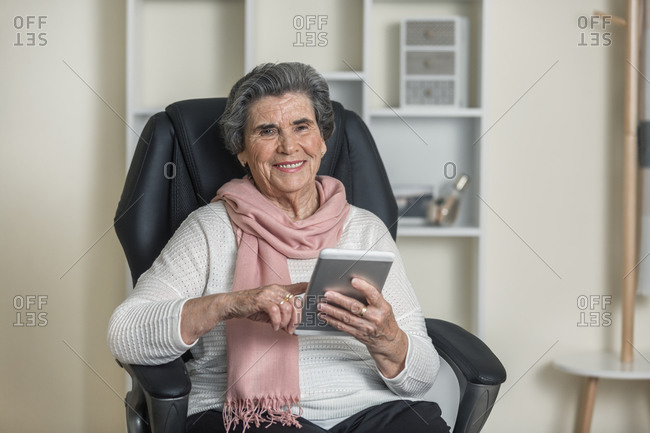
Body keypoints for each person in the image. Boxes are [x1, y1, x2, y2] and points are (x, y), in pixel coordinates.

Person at [108, 62, 450, 433]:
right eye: (267, 131)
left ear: (322, 140)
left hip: (368, 411)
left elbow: (422, 376)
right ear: (241, 150)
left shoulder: (366, 229)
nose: (288, 146)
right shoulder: (211, 229)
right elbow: (124, 334)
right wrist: (230, 304)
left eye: (302, 126)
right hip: (252, 417)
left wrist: (388, 340)